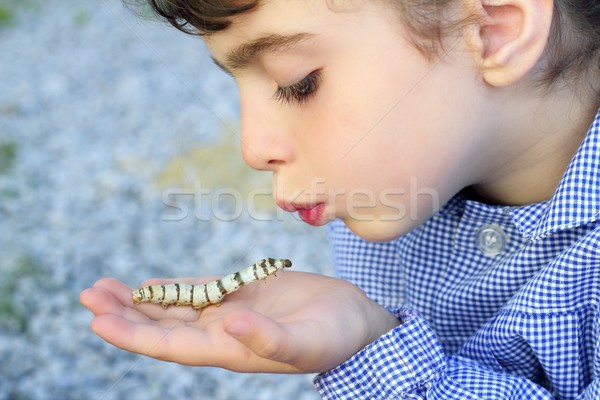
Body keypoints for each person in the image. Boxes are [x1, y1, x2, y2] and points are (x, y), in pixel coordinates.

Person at [80, 0, 600, 398]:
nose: (252, 148)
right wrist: (368, 339)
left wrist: (384, 359)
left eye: (296, 83)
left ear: (493, 31)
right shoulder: (383, 199)